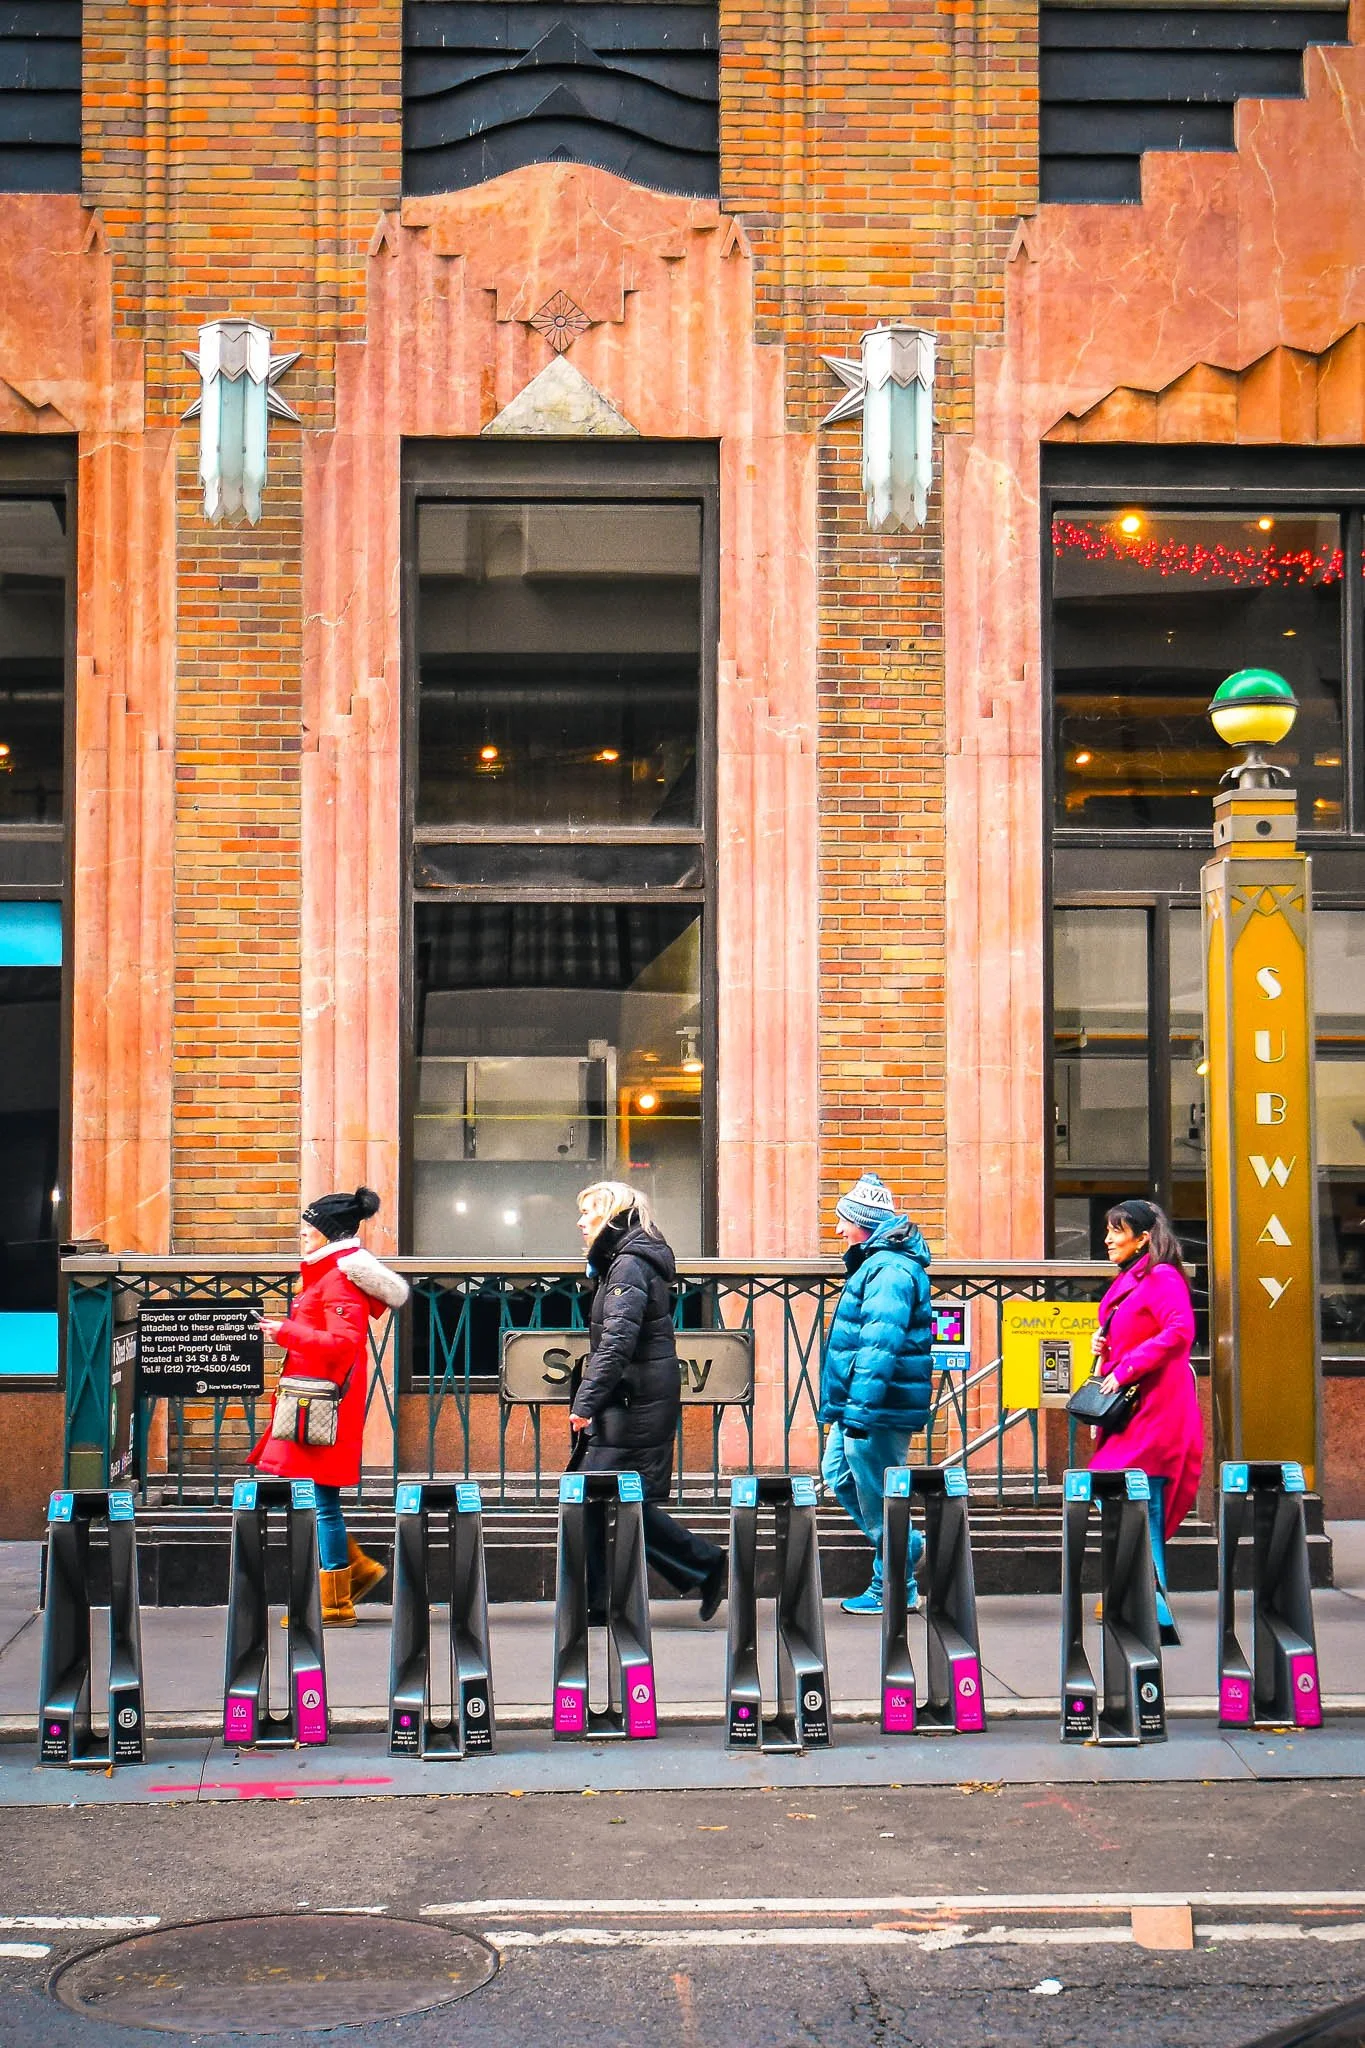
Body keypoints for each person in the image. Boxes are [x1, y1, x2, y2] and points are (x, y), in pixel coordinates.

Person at [250, 1186, 410, 1626]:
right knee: (320, 1498)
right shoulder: (328, 1275)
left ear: (328, 1234)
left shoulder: (338, 1280)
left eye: (309, 1228)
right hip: (314, 1401)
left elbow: (342, 1345)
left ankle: (336, 1600)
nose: (302, 1235)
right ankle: (350, 1575)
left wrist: (283, 1332)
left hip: (322, 1406)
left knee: (323, 1503)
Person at [569, 1181, 728, 1620]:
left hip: (633, 1401)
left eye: (589, 1213)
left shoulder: (629, 1266)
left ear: (612, 1217)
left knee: (600, 1495)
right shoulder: (621, 1262)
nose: (581, 1222)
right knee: (601, 1497)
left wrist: (585, 1402)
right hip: (633, 1397)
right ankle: (599, 1602)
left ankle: (705, 1562)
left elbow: (617, 1341)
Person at [1088, 1196, 1202, 1644]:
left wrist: (1124, 1367)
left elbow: (1180, 1332)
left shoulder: (1163, 1277)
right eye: (1108, 1230)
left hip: (1156, 1408)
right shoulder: (1135, 1280)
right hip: (1137, 1409)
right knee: (1125, 1499)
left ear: (1144, 1237)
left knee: (1142, 1503)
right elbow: (1145, 1329)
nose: (1107, 1239)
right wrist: (1106, 1347)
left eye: (1117, 1230)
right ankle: (1134, 1596)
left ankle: (1149, 1607)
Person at [819, 1172, 934, 1616]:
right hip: (865, 1402)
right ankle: (906, 1547)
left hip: (877, 1406)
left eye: (843, 1220)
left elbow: (879, 1345)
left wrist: (861, 1411)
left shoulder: (889, 1269)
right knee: (840, 1472)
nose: (838, 1230)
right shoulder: (880, 1263)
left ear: (865, 1221)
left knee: (879, 1489)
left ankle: (894, 1583)